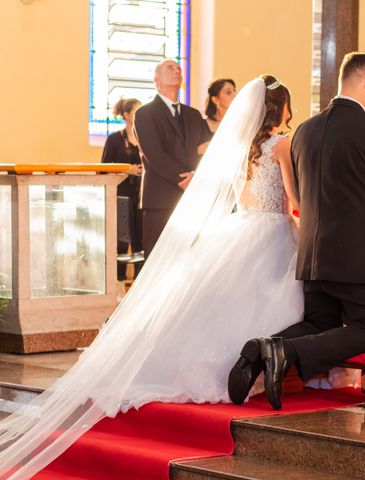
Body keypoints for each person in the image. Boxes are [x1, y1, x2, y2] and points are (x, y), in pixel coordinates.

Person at [0, 76, 303, 478]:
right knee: (275, 297)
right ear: (278, 109)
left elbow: (234, 197)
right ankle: (274, 370)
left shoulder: (233, 148)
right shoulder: (281, 146)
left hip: (240, 229)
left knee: (219, 305)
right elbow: (294, 199)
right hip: (273, 230)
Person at [229, 52, 365, 410]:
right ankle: (282, 349)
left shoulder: (305, 132)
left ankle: (260, 348)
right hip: (360, 260)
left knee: (318, 322)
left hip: (313, 256)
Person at [134, 59, 212, 257]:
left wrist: (197, 176)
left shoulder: (193, 115)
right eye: (170, 68)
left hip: (193, 196)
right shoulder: (145, 113)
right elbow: (154, 154)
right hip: (160, 197)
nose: (177, 70)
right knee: (157, 258)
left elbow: (208, 149)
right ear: (156, 79)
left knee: (189, 257)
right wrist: (184, 178)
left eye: (179, 68)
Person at [101, 98, 144, 280]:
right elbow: (103, 168)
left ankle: (140, 284)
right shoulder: (114, 140)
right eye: (136, 112)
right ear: (126, 115)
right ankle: (117, 283)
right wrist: (128, 169)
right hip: (121, 196)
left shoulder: (145, 137)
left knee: (141, 242)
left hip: (142, 195)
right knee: (120, 241)